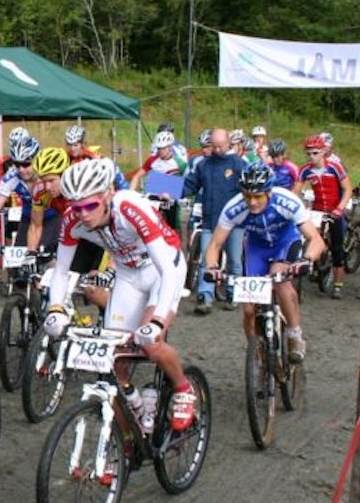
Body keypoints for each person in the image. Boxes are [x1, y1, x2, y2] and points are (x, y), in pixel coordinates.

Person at [40, 159, 198, 432]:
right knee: (113, 360)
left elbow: (166, 269)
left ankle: (184, 388)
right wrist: (55, 308)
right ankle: (134, 410)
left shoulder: (130, 208)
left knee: (150, 343)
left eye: (90, 206)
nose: (83, 215)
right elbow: (62, 271)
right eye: (76, 208)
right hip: (127, 275)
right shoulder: (72, 221)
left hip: (162, 268)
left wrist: (157, 321)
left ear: (108, 195)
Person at [205, 164, 325, 363]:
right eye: (247, 196)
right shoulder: (234, 208)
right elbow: (215, 244)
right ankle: (256, 353)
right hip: (257, 248)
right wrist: (212, 267)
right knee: (249, 309)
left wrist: (306, 259)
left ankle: (295, 335)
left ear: (269, 192)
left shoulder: (287, 201)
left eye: (258, 196)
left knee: (280, 281)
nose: (252, 202)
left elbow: (316, 239)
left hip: (285, 243)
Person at [181, 128, 246, 314]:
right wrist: (159, 186)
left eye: (220, 146)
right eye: (213, 146)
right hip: (210, 220)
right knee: (205, 259)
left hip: (234, 222)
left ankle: (233, 293)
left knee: (234, 260)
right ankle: (205, 296)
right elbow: (189, 185)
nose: (216, 150)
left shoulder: (239, 164)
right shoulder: (204, 165)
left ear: (228, 143)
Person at [295, 135, 353, 298]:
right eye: (308, 154)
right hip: (318, 209)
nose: (311, 157)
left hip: (335, 209)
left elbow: (347, 189)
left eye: (314, 153)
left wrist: (340, 208)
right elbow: (296, 191)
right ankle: (313, 263)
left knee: (337, 247)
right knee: (312, 237)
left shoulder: (335, 167)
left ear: (322, 153)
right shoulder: (305, 170)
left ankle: (337, 285)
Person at [0, 134, 41, 249]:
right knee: (18, 262)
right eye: (17, 164)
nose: (21, 169)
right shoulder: (11, 177)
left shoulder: (46, 174)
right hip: (28, 217)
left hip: (51, 217)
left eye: (26, 164)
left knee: (50, 259)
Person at [129, 127, 187, 230]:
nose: (161, 151)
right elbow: (137, 176)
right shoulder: (152, 160)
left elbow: (188, 181)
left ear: (170, 147)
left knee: (173, 227)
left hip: (170, 198)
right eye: (159, 148)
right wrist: (131, 192)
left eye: (163, 148)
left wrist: (178, 194)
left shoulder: (179, 163)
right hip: (154, 197)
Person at [25, 146, 72, 252]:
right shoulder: (40, 191)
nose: (47, 187)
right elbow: (35, 226)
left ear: (64, 175)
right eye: (44, 181)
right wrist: (31, 252)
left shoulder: (79, 190)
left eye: (51, 180)